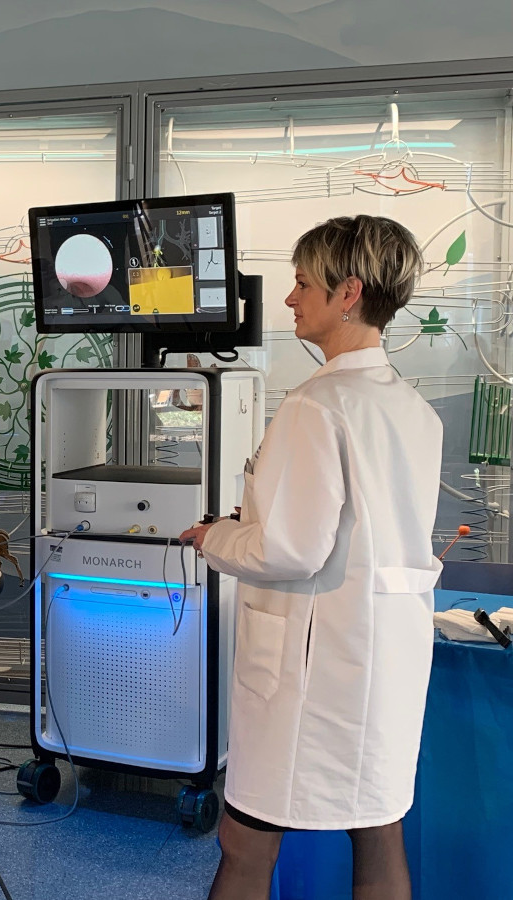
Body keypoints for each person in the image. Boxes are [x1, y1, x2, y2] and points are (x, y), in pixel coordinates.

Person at [179, 215, 442, 900]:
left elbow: (290, 549)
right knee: (377, 828)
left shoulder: (316, 404)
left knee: (244, 843)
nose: (290, 299)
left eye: (301, 284)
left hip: (309, 669)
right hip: (383, 658)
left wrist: (214, 538)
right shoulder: (413, 407)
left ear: (348, 292)